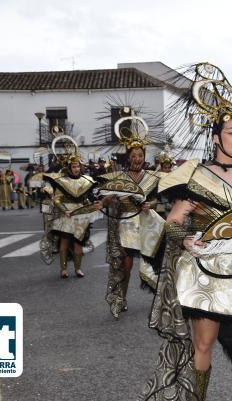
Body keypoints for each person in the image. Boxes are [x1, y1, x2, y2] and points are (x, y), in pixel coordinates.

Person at [140, 63, 232, 401]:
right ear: (215, 138)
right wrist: (186, 239)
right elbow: (173, 222)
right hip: (207, 274)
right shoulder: (195, 178)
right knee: (204, 343)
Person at [96, 108, 166, 319]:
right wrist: (108, 200)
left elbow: (159, 200)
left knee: (154, 264)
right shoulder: (118, 177)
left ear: (145, 156)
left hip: (147, 224)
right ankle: (122, 297)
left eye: (141, 155)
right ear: (128, 157)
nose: (137, 158)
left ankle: (161, 299)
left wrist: (150, 204)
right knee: (125, 267)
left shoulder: (153, 177)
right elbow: (107, 198)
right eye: (134, 155)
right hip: (126, 225)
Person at [40, 136, 100, 279]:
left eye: (78, 166)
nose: (76, 169)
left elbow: (86, 198)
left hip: (80, 215)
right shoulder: (62, 181)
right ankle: (63, 269)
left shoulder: (86, 181)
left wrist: (92, 205)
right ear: (69, 167)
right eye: (73, 166)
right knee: (65, 242)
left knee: (78, 243)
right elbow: (57, 199)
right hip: (66, 214)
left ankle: (78, 269)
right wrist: (64, 210)